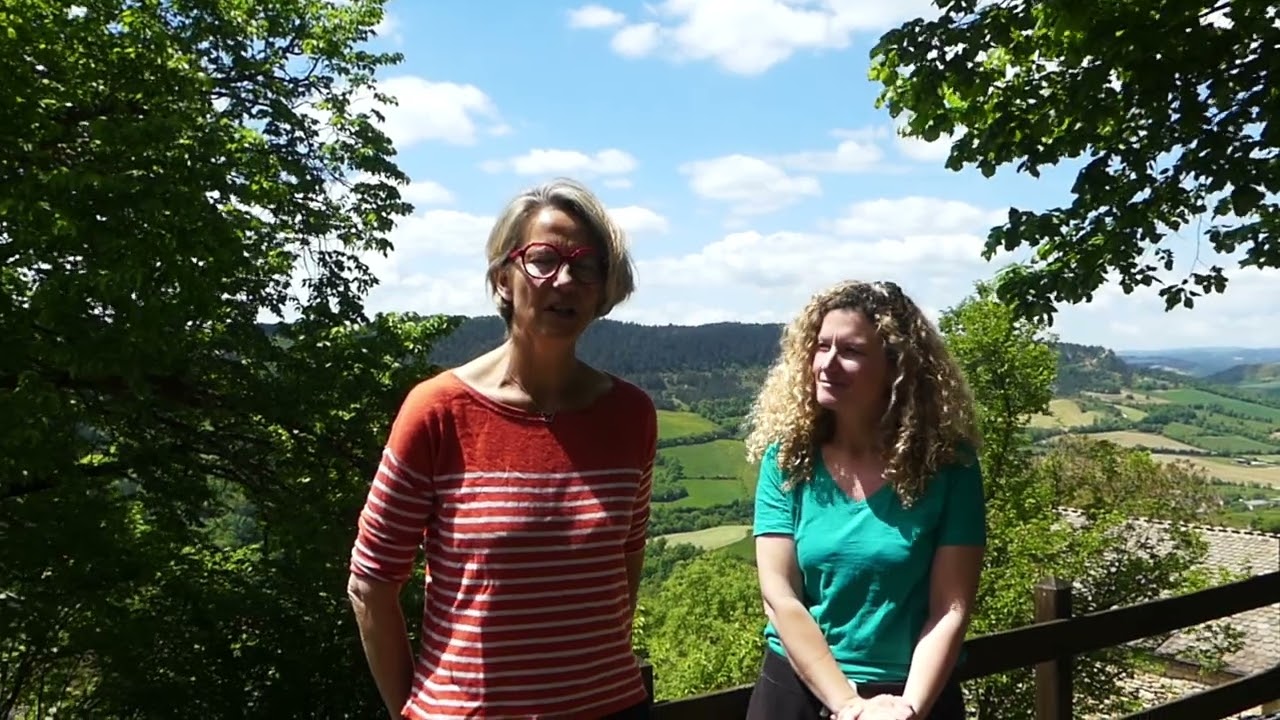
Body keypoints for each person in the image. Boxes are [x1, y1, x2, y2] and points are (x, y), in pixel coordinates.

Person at [346, 178, 656, 720]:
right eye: (543, 258)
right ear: (503, 280)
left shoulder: (631, 416)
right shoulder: (437, 411)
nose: (565, 278)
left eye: (585, 265)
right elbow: (371, 585)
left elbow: (624, 565)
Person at [742, 280, 986, 720]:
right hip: (797, 690)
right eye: (821, 347)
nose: (827, 364)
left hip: (913, 696)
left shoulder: (949, 467)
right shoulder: (787, 459)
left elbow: (950, 608)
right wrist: (849, 705)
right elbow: (780, 595)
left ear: (898, 369)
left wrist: (907, 708)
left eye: (851, 351)